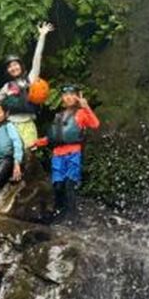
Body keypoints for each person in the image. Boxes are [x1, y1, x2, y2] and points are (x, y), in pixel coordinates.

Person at [33, 85, 100, 220]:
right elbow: (52, 137)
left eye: (71, 94)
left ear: (77, 97)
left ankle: (72, 216)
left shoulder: (81, 113)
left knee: (70, 184)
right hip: (58, 155)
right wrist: (36, 143)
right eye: (66, 95)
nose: (68, 97)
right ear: (62, 98)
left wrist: (86, 106)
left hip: (73, 153)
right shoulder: (58, 116)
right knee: (58, 186)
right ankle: (59, 213)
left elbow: (95, 124)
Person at [0, 22, 54, 150]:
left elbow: (37, 58)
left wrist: (42, 36)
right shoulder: (7, 86)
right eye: (10, 66)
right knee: (13, 154)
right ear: (7, 71)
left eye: (15, 64)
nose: (13, 68)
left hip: (28, 123)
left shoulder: (31, 79)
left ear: (21, 66)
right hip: (12, 124)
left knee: (29, 154)